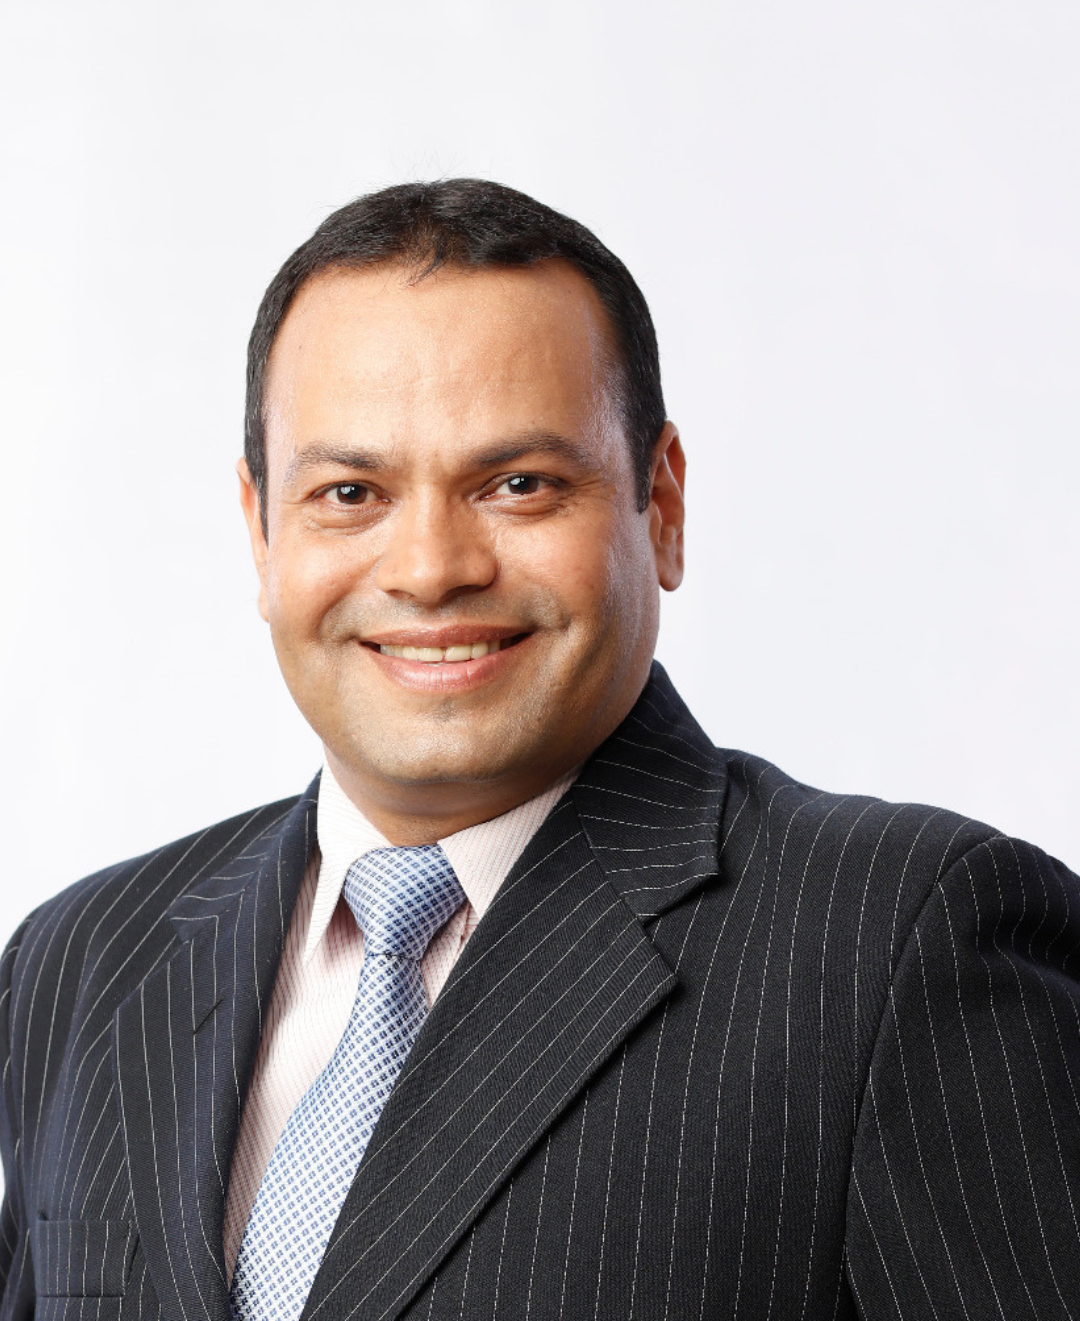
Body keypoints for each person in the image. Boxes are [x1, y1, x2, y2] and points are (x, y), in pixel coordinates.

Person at [0, 179, 1077, 1321]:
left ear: (662, 505)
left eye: (519, 485)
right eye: (350, 491)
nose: (430, 568)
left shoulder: (900, 941)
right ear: (261, 530)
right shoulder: (78, 963)